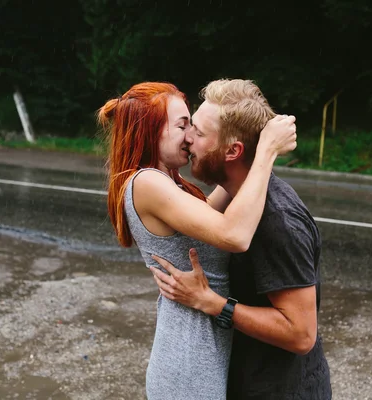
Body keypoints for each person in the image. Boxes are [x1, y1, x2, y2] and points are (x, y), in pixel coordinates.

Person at [97, 81, 297, 400]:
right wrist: (267, 152)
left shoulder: (164, 184)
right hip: (189, 364)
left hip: (197, 353)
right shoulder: (147, 182)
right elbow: (234, 235)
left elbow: (217, 216)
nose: (191, 136)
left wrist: (244, 150)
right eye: (182, 125)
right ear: (150, 131)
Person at [150, 79, 332, 399]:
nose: (187, 138)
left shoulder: (278, 223)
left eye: (199, 132)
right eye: (188, 125)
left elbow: (301, 334)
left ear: (233, 151)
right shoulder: (239, 201)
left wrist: (213, 303)